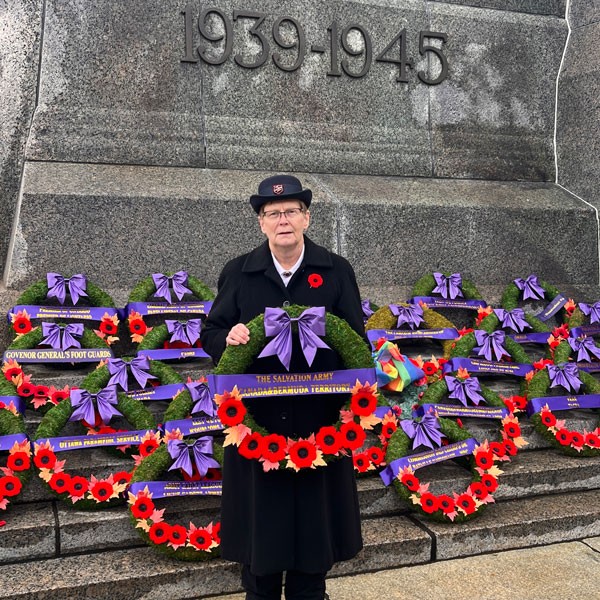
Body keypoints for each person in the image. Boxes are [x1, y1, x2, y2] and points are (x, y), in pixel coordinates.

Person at [200, 174, 364, 600]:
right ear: (261, 223)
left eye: (291, 211)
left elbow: (358, 345)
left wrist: (350, 412)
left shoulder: (335, 270)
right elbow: (211, 332)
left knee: (313, 544)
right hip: (259, 429)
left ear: (306, 217)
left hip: (320, 427)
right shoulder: (239, 272)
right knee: (261, 544)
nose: (282, 220)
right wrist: (227, 338)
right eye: (272, 213)